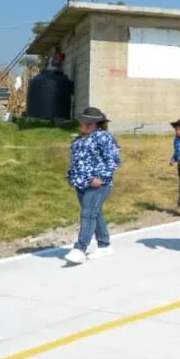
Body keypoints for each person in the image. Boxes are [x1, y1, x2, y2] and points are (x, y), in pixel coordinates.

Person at [64, 107, 122, 265]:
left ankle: (80, 248)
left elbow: (114, 161)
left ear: (92, 124)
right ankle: (104, 245)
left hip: (98, 184)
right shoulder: (78, 140)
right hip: (81, 183)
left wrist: (102, 178)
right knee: (94, 213)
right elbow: (76, 161)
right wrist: (70, 176)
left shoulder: (103, 138)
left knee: (88, 213)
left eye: (82, 122)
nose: (80, 124)